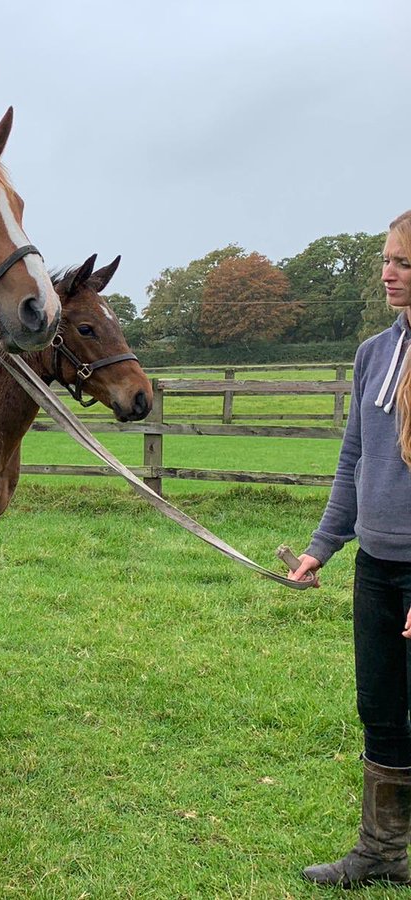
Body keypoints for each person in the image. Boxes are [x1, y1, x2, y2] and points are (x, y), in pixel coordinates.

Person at [290, 209, 411, 888]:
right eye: (386, 261)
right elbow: (353, 462)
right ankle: (382, 851)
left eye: (402, 263)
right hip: (376, 568)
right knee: (381, 709)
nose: (388, 274)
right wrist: (322, 546)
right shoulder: (373, 353)